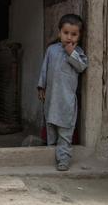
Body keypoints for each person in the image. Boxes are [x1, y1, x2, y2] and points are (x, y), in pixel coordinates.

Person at [37, 14, 88, 171]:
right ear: (60, 33)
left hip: (66, 100)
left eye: (74, 34)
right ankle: (50, 153)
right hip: (51, 98)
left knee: (65, 131)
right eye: (66, 33)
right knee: (50, 125)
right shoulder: (51, 50)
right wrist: (41, 87)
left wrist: (71, 52)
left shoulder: (78, 53)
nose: (69, 37)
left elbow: (81, 67)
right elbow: (44, 70)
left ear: (79, 36)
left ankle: (64, 159)